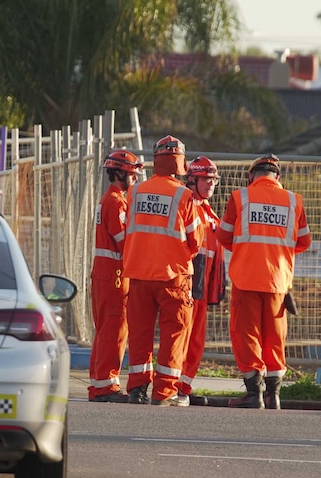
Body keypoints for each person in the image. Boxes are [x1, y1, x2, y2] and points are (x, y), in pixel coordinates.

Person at [217, 154, 311, 409]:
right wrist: (279, 252)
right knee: (275, 337)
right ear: (277, 176)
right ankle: (274, 395)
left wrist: (246, 250)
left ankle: (253, 394)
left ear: (251, 176)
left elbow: (223, 235)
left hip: (246, 277)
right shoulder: (294, 201)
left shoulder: (240, 198)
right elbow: (304, 241)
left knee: (246, 334)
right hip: (278, 282)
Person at [122, 135, 202, 406]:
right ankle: (164, 392)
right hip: (173, 277)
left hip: (139, 274)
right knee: (174, 334)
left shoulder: (135, 191)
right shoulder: (184, 195)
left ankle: (136, 389)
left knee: (139, 334)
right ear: (180, 164)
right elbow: (196, 241)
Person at [87, 150, 144, 403]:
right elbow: (126, 243)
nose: (135, 178)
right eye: (132, 173)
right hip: (115, 276)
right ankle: (106, 387)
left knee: (105, 330)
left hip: (105, 274)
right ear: (120, 173)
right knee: (114, 330)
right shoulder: (116, 202)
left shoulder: (109, 200)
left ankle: (100, 383)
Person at [177, 157, 227, 406]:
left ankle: (183, 386)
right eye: (206, 180)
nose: (211, 184)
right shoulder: (187, 205)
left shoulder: (208, 211)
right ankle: (174, 386)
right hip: (188, 281)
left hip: (203, 285)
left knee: (195, 339)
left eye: (213, 180)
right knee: (183, 337)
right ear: (192, 180)